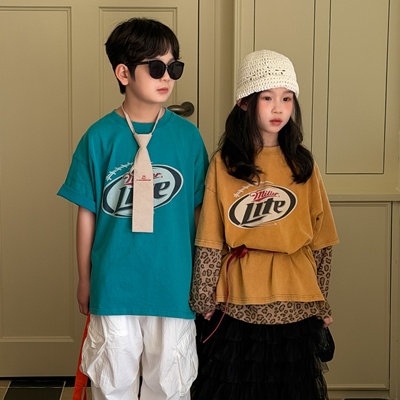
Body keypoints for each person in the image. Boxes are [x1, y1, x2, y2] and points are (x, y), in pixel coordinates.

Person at [58, 17, 208, 400]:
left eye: (174, 67)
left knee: (171, 385)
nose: (167, 77)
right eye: (156, 67)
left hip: (173, 283)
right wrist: (85, 278)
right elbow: (87, 214)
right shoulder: (99, 138)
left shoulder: (188, 139)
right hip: (114, 284)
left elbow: (199, 214)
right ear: (124, 73)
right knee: (111, 384)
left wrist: (204, 279)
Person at [189, 49, 339, 400]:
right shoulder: (224, 164)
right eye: (268, 98)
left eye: (287, 98)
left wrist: (321, 299)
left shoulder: (303, 165)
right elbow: (210, 238)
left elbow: (322, 239)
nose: (278, 109)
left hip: (296, 297)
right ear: (244, 102)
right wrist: (203, 297)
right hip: (239, 298)